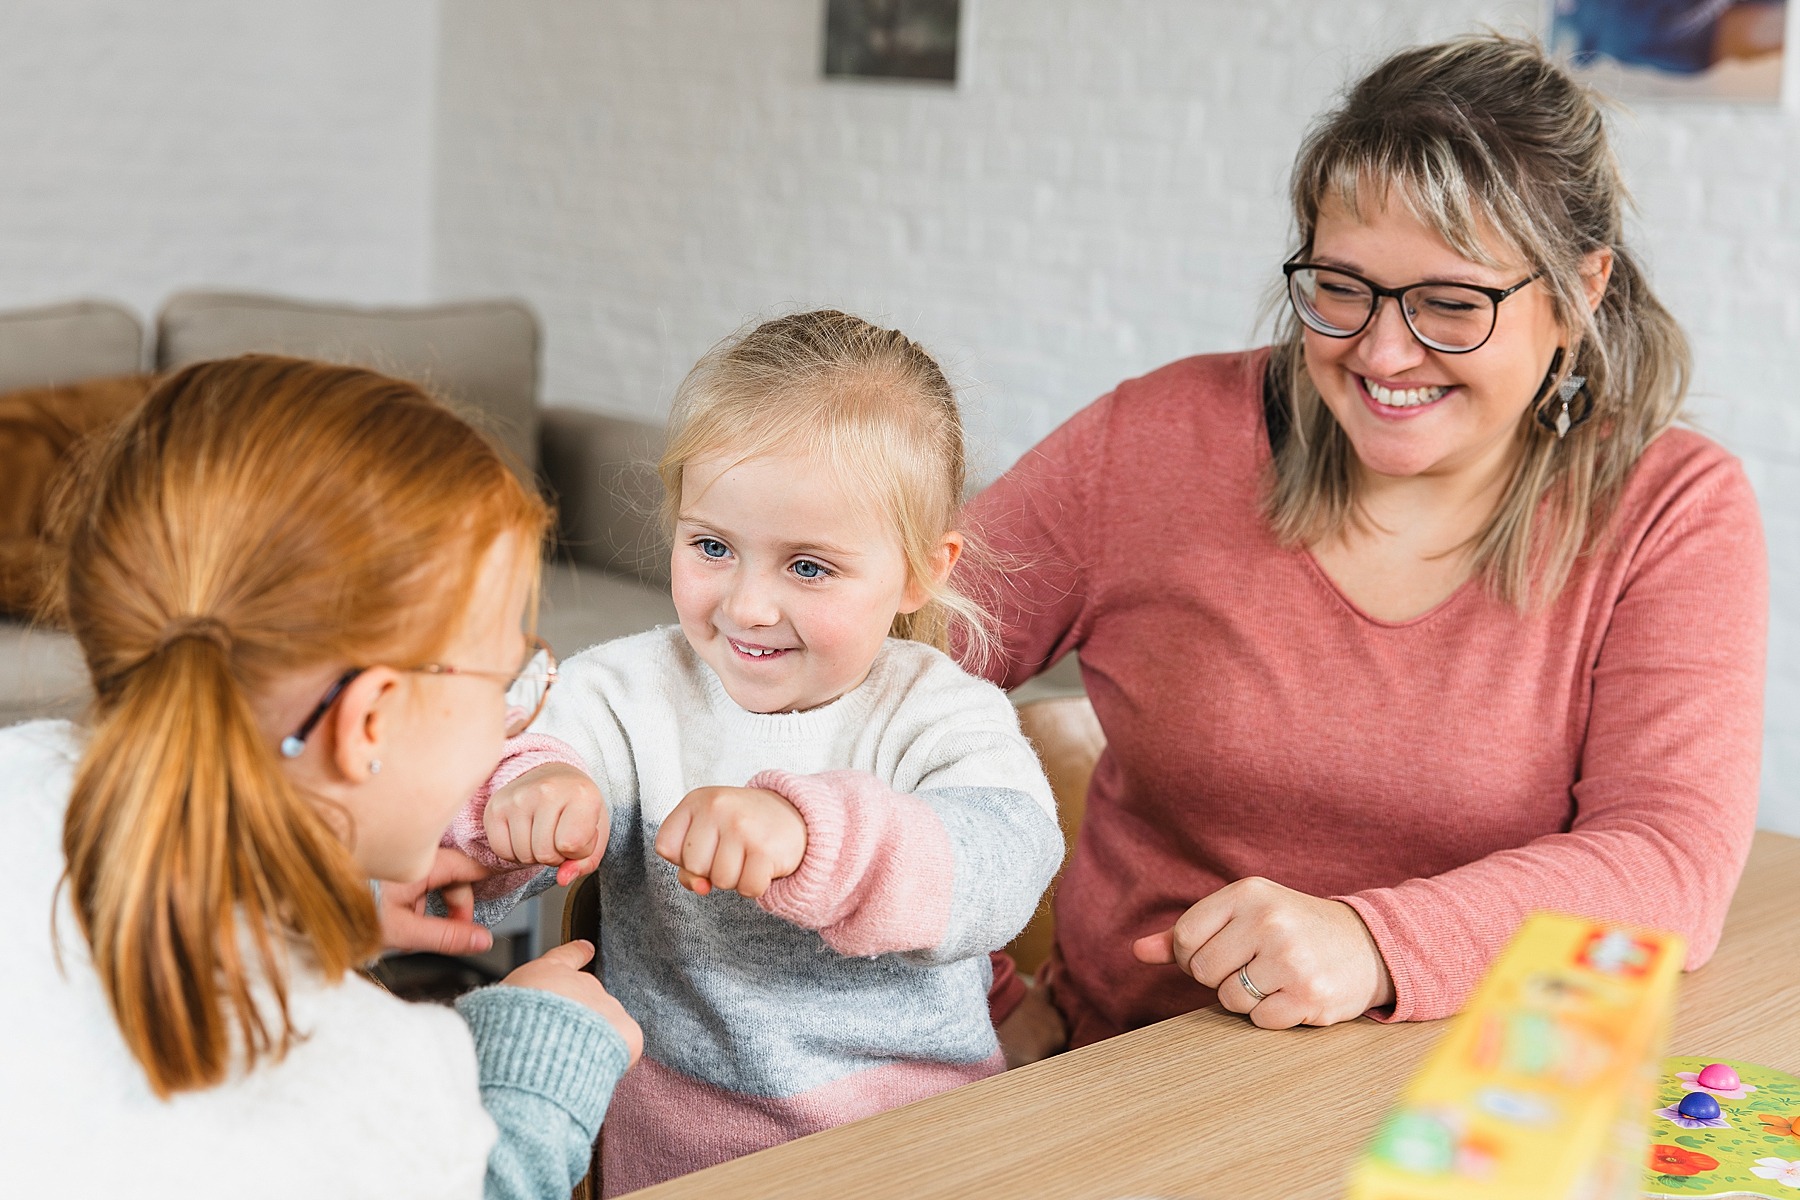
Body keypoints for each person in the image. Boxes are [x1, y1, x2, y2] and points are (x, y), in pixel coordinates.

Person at [971, 34, 1767, 1057]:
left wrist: (1374, 942)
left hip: (1473, 1089)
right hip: (1128, 1080)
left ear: (1580, 291)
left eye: (1451, 304)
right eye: (1342, 288)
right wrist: (978, 1000)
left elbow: (1668, 862)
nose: (1385, 353)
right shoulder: (1152, 443)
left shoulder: (1670, 508)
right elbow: (855, 675)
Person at [450, 310, 1062, 1194]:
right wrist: (524, 793)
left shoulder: (938, 712)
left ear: (922, 571)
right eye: (711, 546)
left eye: (808, 567)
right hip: (675, 1152)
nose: (746, 606)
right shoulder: (625, 692)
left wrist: (811, 837)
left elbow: (1004, 865)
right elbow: (484, 785)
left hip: (919, 1147)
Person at [3, 355, 643, 1198]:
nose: (509, 715)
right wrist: (534, 1065)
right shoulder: (378, 1075)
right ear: (368, 721)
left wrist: (316, 907)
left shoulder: (23, 770)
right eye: (506, 679)